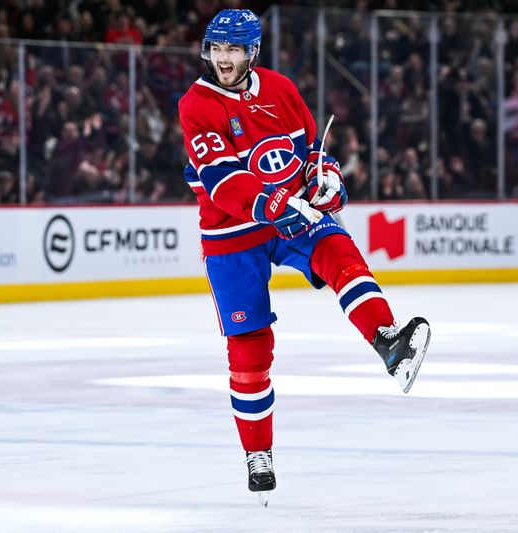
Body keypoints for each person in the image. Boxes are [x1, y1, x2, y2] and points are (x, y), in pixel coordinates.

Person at [178, 9, 431, 504]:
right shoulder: (197, 103)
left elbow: (312, 152)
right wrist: (273, 203)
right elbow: (221, 180)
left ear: (251, 52)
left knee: (339, 249)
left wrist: (327, 180)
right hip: (232, 231)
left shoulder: (281, 89)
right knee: (250, 348)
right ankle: (258, 455)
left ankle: (387, 340)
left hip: (289, 213)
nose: (223, 59)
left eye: (233, 50)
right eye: (216, 49)